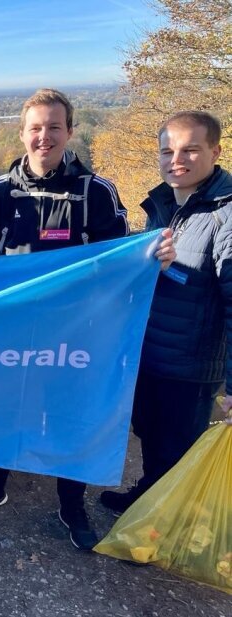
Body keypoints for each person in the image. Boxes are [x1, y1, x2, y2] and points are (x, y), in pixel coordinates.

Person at [0, 88, 133, 551]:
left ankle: (71, 503)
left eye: (54, 126)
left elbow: (121, 259)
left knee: (69, 415)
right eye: (35, 127)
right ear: (22, 133)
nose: (44, 136)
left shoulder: (96, 191)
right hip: (12, 330)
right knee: (2, 410)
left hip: (75, 334)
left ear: (69, 131)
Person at [100, 111, 232, 514]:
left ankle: (156, 532)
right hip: (151, 353)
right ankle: (146, 499)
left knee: (176, 451)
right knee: (152, 439)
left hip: (190, 366)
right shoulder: (162, 204)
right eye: (168, 150)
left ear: (216, 151)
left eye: (191, 149)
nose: (178, 159)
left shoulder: (225, 215)